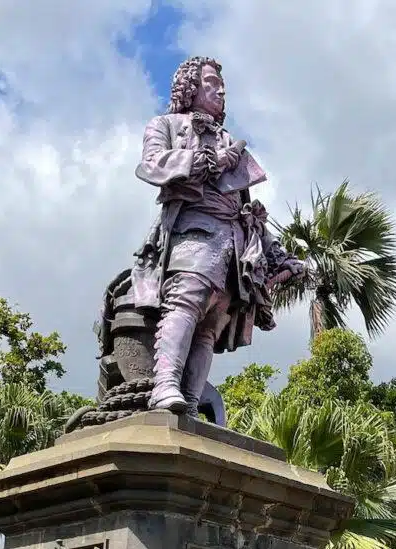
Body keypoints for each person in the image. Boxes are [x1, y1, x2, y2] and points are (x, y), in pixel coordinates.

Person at [129, 55, 302, 413]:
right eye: (211, 84)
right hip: (193, 232)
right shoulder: (166, 124)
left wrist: (279, 257)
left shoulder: (229, 141)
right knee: (185, 303)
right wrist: (205, 161)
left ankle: (190, 405)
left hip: (233, 247)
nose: (221, 91)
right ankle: (164, 386)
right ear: (190, 87)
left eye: (222, 86)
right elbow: (151, 165)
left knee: (209, 326)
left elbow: (247, 211)